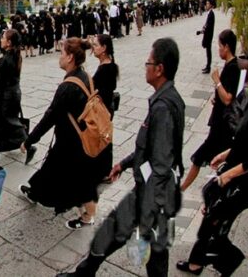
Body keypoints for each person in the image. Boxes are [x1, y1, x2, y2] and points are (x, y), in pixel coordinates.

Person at [59, 38, 185, 277]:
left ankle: (84, 273)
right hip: (153, 192)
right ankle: (84, 272)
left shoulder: (163, 108)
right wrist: (124, 164)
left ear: (159, 69)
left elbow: (162, 161)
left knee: (152, 253)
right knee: (116, 233)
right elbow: (151, 146)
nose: (145, 66)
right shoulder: (168, 99)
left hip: (151, 195)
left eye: (148, 62)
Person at [176, 63, 248, 276]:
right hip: (234, 169)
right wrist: (226, 154)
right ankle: (196, 263)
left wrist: (227, 176)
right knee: (212, 214)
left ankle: (230, 259)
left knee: (215, 219)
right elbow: (245, 140)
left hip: (245, 180)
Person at [19, 37, 102, 229]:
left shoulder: (68, 86)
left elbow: (50, 117)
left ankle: (88, 216)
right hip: (77, 137)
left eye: (62, 53)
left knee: (79, 180)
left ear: (70, 57)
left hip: (72, 142)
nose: (60, 56)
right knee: (53, 167)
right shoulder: (85, 76)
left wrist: (29, 140)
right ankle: (35, 192)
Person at [181, 29, 240, 192]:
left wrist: (217, 81)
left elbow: (228, 98)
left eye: (219, 45)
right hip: (219, 123)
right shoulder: (229, 66)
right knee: (221, 160)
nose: (218, 49)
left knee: (200, 157)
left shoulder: (233, 68)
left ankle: (182, 189)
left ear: (226, 47)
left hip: (222, 126)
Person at [0, 29, 28, 154]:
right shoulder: (15, 55)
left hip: (8, 94)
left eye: (3, 37)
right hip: (13, 92)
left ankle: (27, 142)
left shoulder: (6, 58)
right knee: (8, 119)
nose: (1, 39)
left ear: (9, 42)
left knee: (10, 121)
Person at [90, 34, 118, 181]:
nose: (93, 48)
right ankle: (103, 170)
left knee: (103, 139)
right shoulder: (107, 64)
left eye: (96, 45)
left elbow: (104, 91)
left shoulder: (106, 68)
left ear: (104, 48)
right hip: (104, 107)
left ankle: (105, 171)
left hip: (104, 108)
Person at [200, 0, 215, 74]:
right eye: (206, 3)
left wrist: (203, 31)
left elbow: (209, 26)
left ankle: (208, 67)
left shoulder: (211, 14)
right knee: (208, 52)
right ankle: (207, 66)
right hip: (207, 35)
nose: (206, 5)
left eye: (208, 3)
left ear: (211, 5)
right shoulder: (209, 13)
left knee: (209, 52)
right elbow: (207, 24)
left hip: (208, 36)